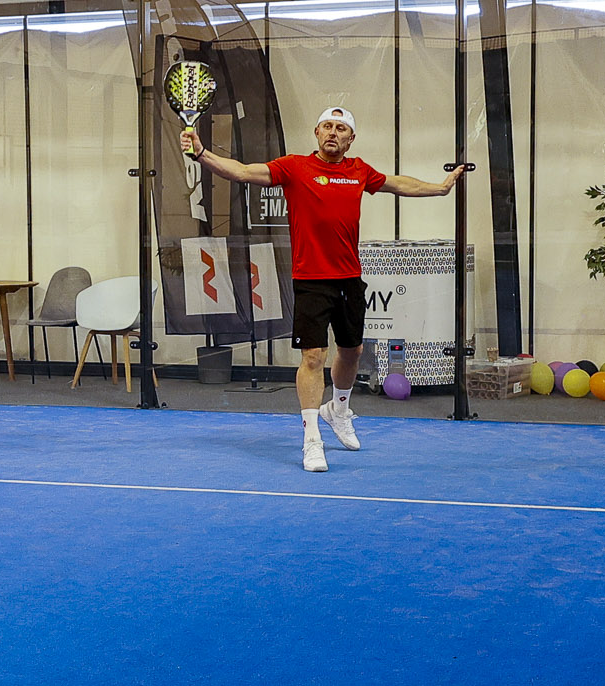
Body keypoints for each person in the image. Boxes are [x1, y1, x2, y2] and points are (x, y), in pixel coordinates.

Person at [181, 107, 468, 472]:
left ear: (351, 138)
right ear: (317, 132)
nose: (333, 132)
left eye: (342, 128)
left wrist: (440, 189)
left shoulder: (359, 170)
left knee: (352, 352)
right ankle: (311, 438)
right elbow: (242, 172)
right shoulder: (294, 167)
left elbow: (398, 183)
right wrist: (202, 154)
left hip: (349, 278)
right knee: (313, 357)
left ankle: (339, 409)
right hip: (310, 279)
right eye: (328, 126)